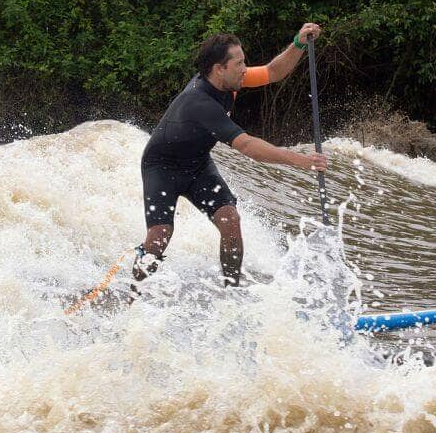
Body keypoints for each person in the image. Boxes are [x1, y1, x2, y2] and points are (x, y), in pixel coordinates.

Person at [135, 23, 327, 289]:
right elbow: (246, 145)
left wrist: (298, 44)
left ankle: (231, 290)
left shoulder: (230, 82)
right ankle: (135, 292)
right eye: (239, 63)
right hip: (161, 168)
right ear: (219, 69)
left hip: (197, 164)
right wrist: (299, 160)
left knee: (230, 220)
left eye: (244, 61)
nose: (245, 68)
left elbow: (273, 72)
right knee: (160, 236)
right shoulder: (199, 102)